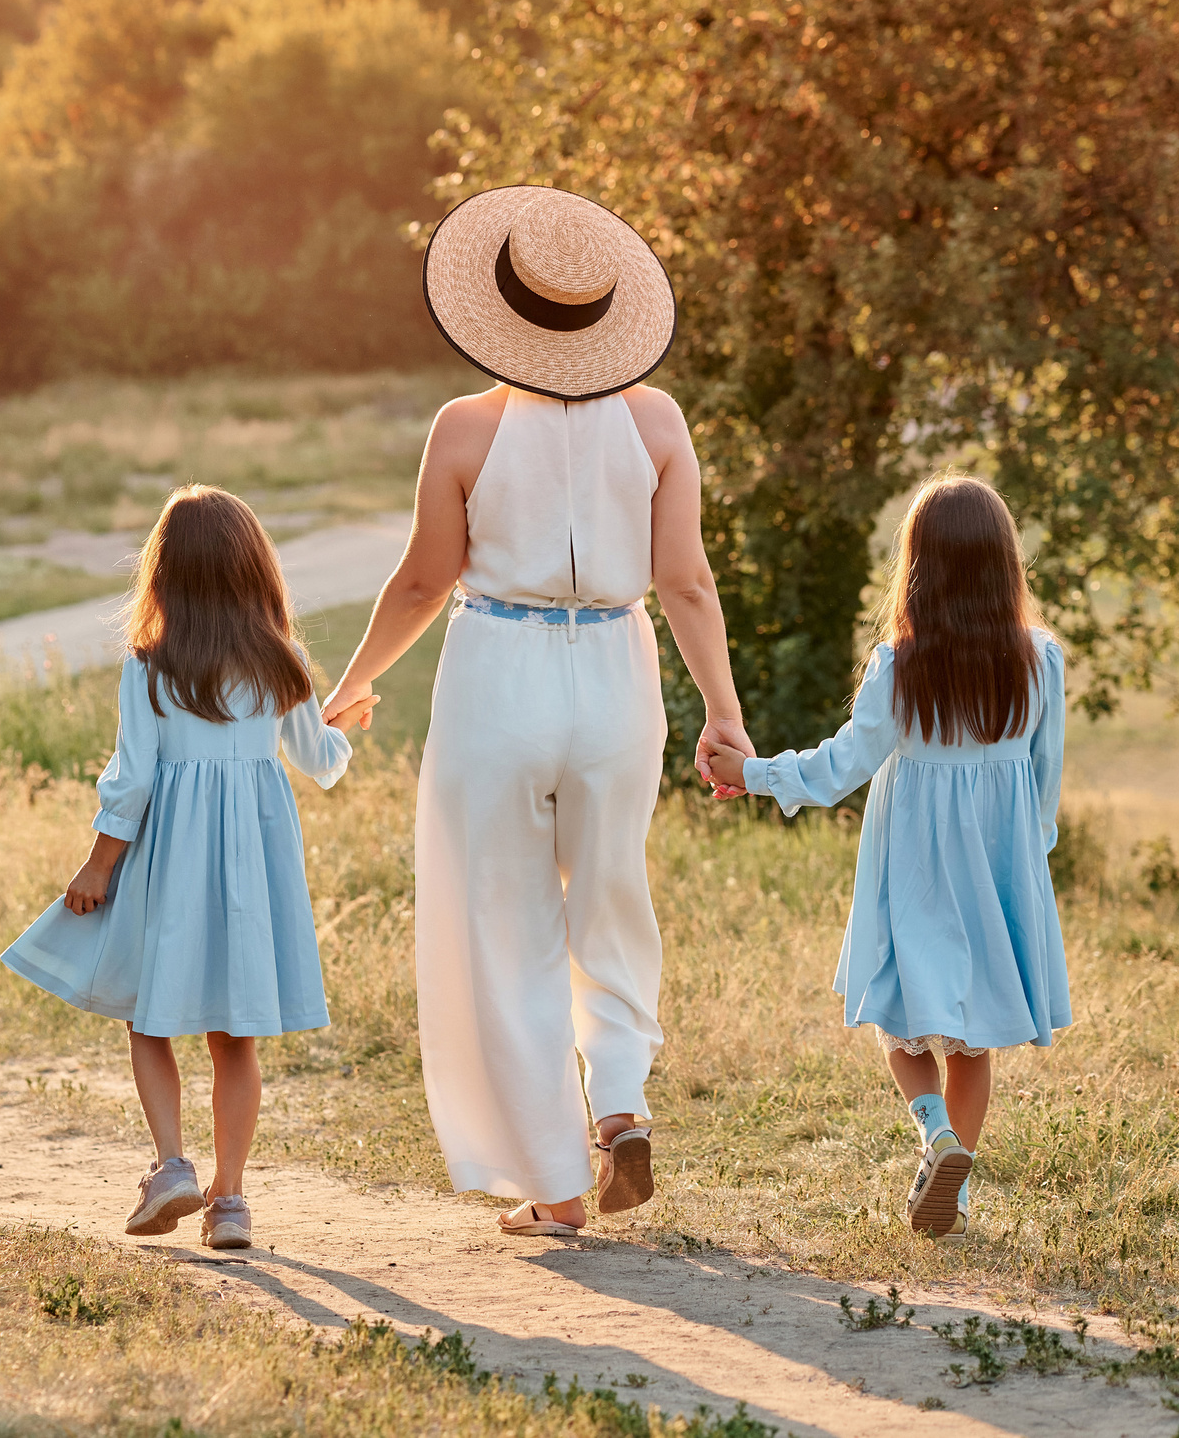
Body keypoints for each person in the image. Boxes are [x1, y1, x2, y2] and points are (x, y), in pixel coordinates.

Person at [319, 185, 753, 1236]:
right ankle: (619, 1100)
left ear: (497, 315)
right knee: (609, 900)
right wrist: (724, 717)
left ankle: (556, 1186)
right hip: (615, 671)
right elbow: (687, 582)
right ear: (606, 318)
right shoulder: (655, 420)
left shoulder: (465, 427)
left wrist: (350, 682)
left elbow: (423, 582)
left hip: (497, 676)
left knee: (503, 925)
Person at [704, 474, 1071, 1240]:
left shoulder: (900, 662)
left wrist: (755, 774)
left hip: (913, 872)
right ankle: (956, 1188)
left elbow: (841, 766)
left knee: (896, 1020)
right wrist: (1027, 871)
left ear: (917, 567)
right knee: (973, 1040)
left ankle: (934, 1136)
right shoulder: (1041, 659)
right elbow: (1044, 785)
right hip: (998, 875)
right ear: (1006, 563)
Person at [2, 485, 361, 1251]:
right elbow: (320, 762)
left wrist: (98, 866)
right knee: (235, 1035)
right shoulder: (283, 660)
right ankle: (229, 1200)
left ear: (165, 575)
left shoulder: (150, 666)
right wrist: (343, 721)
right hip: (250, 869)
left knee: (149, 1011)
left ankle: (170, 1163)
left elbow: (131, 779)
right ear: (252, 567)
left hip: (171, 858)